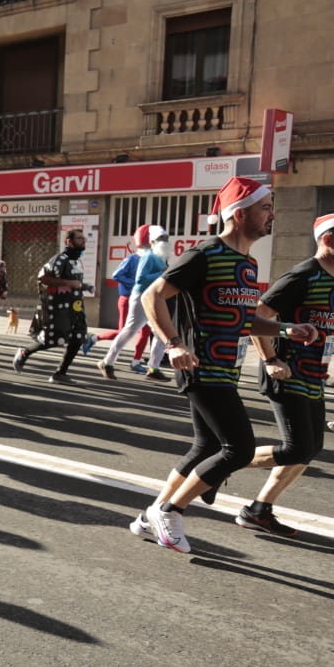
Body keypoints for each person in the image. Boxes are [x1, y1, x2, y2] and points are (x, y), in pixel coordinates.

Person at [133, 177, 316, 554]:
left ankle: (147, 515)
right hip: (200, 366)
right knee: (240, 448)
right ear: (239, 213)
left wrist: (286, 328)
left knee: (205, 446)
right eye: (265, 208)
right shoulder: (205, 254)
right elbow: (153, 297)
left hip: (225, 370)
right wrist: (173, 343)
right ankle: (169, 511)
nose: (272, 216)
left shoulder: (247, 264)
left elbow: (243, 321)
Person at [233, 213, 334, 536]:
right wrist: (270, 359)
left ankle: (259, 509)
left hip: (313, 375)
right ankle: (218, 463)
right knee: (296, 448)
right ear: (329, 241)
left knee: (311, 446)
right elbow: (257, 317)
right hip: (286, 371)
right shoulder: (303, 275)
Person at [12, 228, 93, 384]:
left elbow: (74, 282)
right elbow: (43, 278)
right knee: (54, 339)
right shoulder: (59, 259)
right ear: (69, 242)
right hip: (59, 308)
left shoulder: (77, 260)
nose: (83, 240)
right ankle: (25, 352)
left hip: (76, 307)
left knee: (78, 337)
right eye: (79, 238)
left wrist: (85, 286)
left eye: (83, 238)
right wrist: (69, 283)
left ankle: (60, 373)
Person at [96, 226, 170, 381]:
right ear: (152, 242)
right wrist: (162, 274)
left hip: (154, 297)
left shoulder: (161, 257)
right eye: (161, 239)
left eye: (166, 238)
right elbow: (140, 279)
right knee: (130, 330)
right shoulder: (148, 256)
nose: (165, 242)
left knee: (161, 332)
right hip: (141, 296)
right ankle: (107, 362)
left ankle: (153, 368)